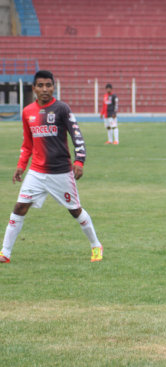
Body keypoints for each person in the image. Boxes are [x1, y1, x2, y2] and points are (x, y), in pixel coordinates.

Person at [0, 70, 103, 264]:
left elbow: (77, 135)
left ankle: (96, 245)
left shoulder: (62, 109)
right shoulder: (27, 112)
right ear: (34, 88)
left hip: (61, 172)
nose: (45, 89)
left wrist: (79, 160)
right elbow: (27, 144)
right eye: (40, 85)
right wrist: (21, 166)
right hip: (36, 172)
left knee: (75, 210)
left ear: (53, 87)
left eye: (48, 85)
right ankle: (5, 252)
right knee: (20, 207)